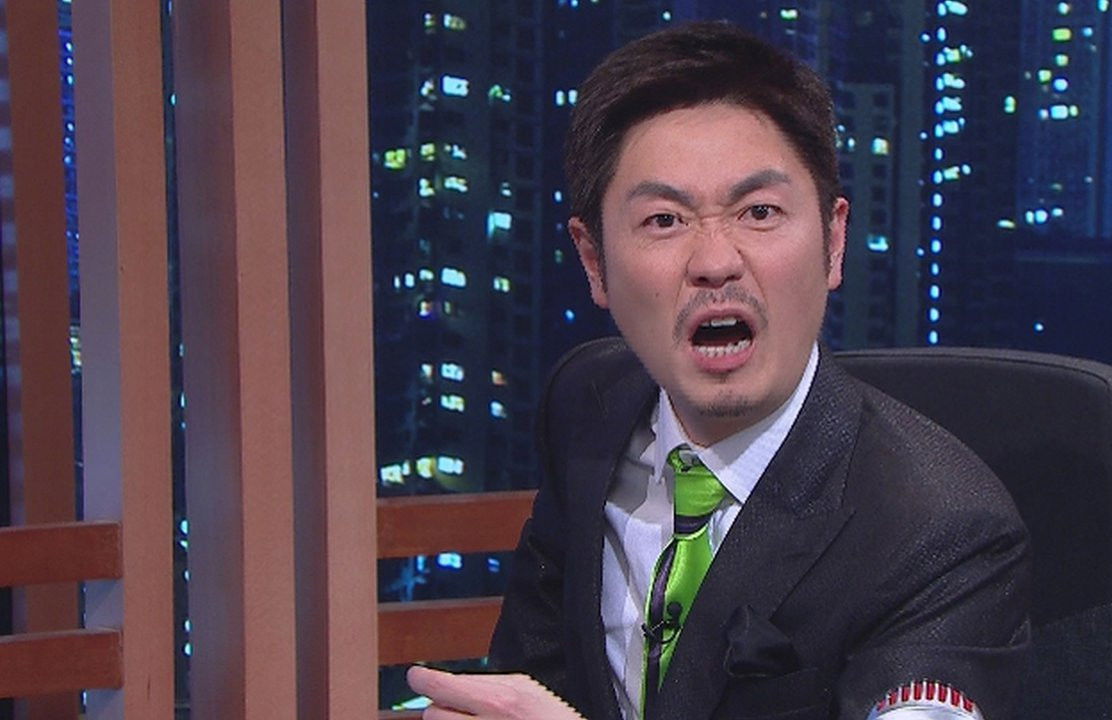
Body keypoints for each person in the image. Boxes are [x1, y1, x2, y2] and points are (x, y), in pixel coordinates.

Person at [409, 20, 1030, 720]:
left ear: (833, 241)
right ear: (593, 262)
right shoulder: (586, 403)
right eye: (664, 221)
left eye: (759, 212)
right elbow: (531, 675)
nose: (714, 261)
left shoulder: (944, 531)